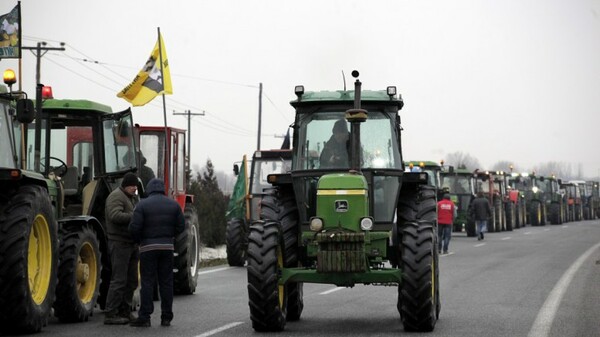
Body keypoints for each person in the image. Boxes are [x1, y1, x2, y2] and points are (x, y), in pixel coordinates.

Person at [128, 178, 185, 327]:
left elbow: (134, 227)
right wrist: (169, 236)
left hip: (148, 249)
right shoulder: (174, 205)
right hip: (167, 248)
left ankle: (145, 317)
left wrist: (139, 240)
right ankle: (166, 317)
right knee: (166, 283)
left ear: (149, 189)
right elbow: (181, 226)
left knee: (147, 282)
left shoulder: (142, 205)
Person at [104, 172, 140, 325]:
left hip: (131, 244)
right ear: (126, 185)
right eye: (132, 186)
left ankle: (125, 310)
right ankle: (111, 313)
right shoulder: (116, 196)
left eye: (136, 186)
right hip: (119, 243)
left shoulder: (130, 198)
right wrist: (135, 216)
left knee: (132, 280)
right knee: (119, 280)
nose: (134, 188)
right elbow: (114, 215)